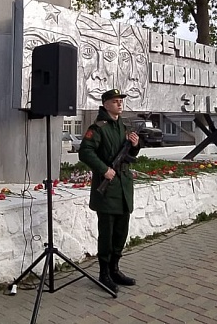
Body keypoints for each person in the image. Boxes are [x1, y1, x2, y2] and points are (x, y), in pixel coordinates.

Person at [78, 88, 140, 293]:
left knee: (121, 232)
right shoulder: (98, 128)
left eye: (120, 101)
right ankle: (104, 273)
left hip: (123, 188)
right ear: (105, 105)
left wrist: (135, 145)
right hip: (107, 189)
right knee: (107, 233)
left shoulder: (123, 126)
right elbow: (85, 152)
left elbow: (129, 155)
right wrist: (104, 169)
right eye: (115, 101)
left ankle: (115, 270)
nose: (119, 104)